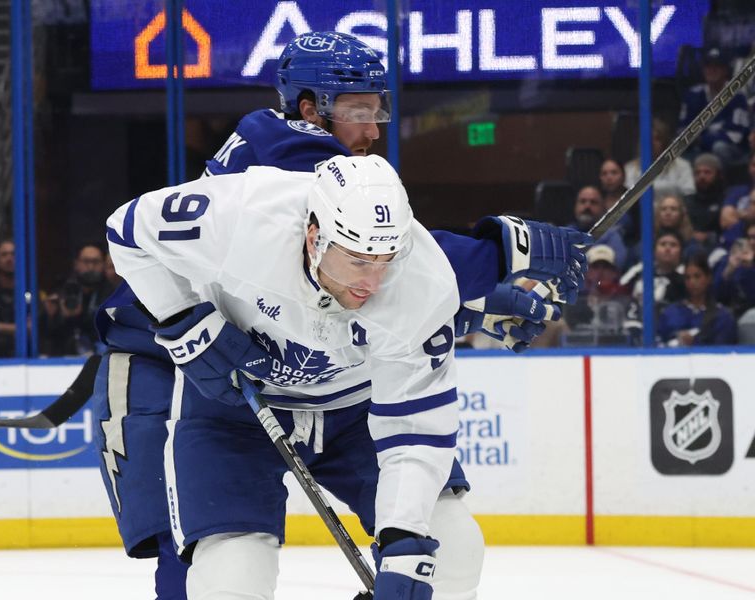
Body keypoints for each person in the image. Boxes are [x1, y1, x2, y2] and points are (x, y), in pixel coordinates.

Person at [92, 32, 589, 600]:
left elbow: (373, 295)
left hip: (346, 399)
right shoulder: (277, 165)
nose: (374, 131)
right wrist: (500, 251)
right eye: (359, 111)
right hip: (226, 392)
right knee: (220, 573)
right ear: (310, 112)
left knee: (453, 554)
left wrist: (463, 309)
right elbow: (134, 231)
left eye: (380, 110)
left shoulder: (377, 234)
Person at [679, 47, 751, 167]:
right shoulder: (693, 94)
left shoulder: (737, 97)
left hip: (730, 150)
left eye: (717, 66)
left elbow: (735, 135)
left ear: (725, 70)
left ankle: (723, 183)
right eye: (708, 66)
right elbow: (683, 130)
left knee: (719, 147)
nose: (711, 70)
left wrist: (701, 139)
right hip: (698, 148)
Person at [42, 243, 115, 356]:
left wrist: (78, 316)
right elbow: (47, 335)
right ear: (76, 264)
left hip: (101, 356)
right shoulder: (64, 290)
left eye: (96, 262)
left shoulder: (113, 294)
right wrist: (53, 317)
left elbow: (110, 331)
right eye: (86, 262)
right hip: (62, 358)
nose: (90, 267)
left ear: (104, 264)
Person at [658, 253, 737, 346]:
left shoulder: (722, 317)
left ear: (709, 278)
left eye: (697, 276)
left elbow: (724, 352)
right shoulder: (670, 312)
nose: (692, 282)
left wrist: (695, 342)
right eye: (688, 278)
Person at [624, 118, 695, 200]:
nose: (652, 143)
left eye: (657, 139)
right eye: (648, 139)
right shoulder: (630, 168)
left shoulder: (682, 166)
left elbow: (689, 194)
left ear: (664, 141)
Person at [621, 229, 687, 316]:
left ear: (681, 251)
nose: (667, 248)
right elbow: (621, 287)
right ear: (654, 250)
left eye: (673, 245)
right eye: (663, 244)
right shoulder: (639, 270)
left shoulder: (686, 277)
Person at [568, 184, 628, 270]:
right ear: (575, 206)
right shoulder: (564, 233)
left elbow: (618, 264)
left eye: (593, 202)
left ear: (603, 207)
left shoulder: (611, 235)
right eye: (582, 201)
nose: (587, 206)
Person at [685, 153, 726, 245]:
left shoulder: (726, 200)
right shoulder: (687, 201)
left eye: (707, 172)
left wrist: (708, 236)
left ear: (718, 174)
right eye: (697, 173)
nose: (702, 176)